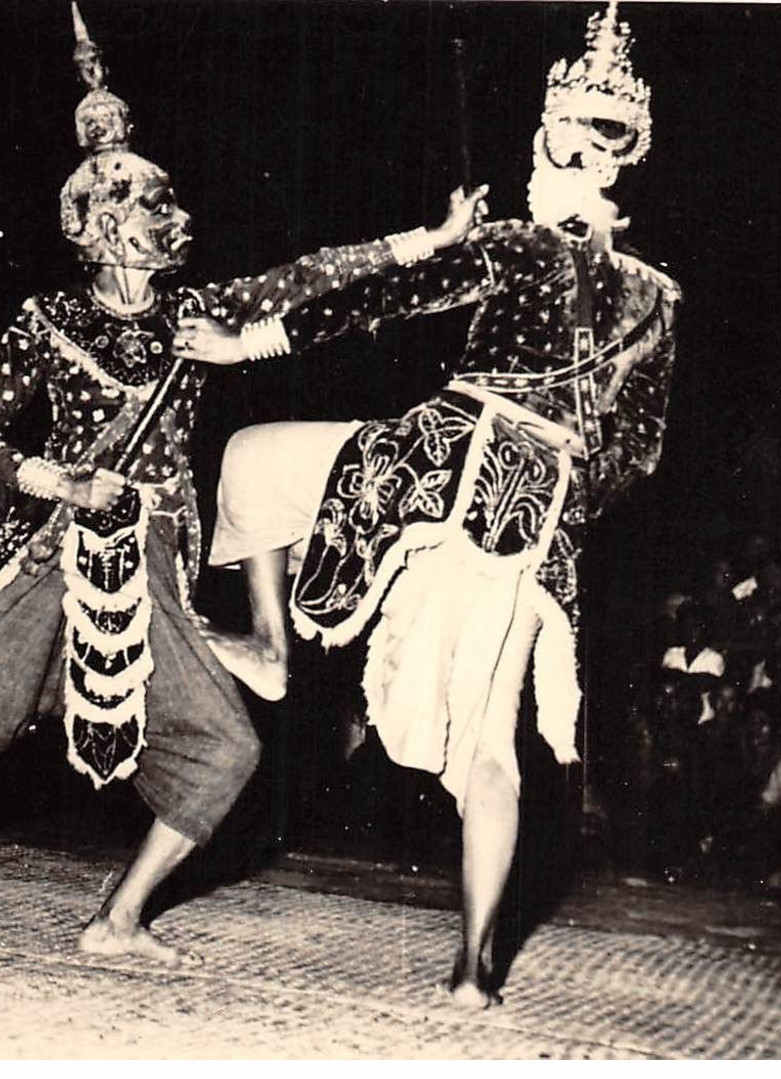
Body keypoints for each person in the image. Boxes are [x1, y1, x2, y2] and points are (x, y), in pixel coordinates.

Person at [0, 4, 482, 965]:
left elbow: (308, 276)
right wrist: (63, 481)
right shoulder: (45, 318)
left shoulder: (198, 312)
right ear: (98, 229)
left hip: (153, 553)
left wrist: (425, 242)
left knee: (227, 750)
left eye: (162, 212)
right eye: (141, 215)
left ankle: (117, 919)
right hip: (52, 547)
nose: (161, 228)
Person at [189, 2, 680, 1004]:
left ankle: (274, 650)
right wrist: (551, 497)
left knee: (249, 458)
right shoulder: (655, 296)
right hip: (535, 513)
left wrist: (245, 346)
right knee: (491, 746)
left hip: (434, 458)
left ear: (558, 141)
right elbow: (635, 449)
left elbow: (375, 298)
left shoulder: (517, 240)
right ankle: (470, 973)